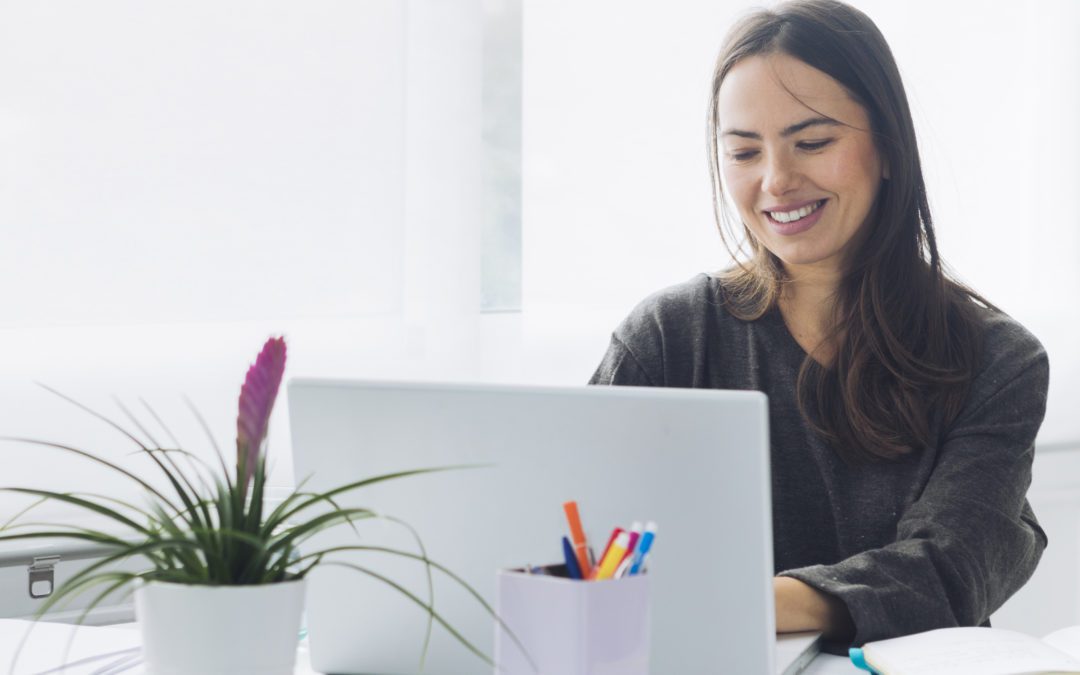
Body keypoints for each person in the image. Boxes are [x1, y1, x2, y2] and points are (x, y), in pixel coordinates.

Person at [588, 0, 1049, 647]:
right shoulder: (669, 336)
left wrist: (727, 598)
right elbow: (584, 547)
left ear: (888, 148)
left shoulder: (998, 359)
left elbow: (949, 567)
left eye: (812, 142)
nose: (777, 181)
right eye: (744, 151)